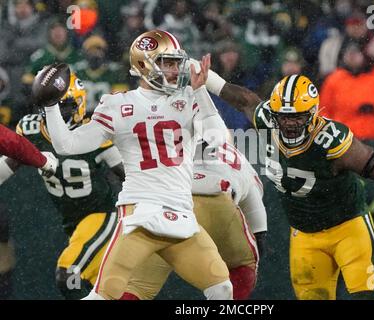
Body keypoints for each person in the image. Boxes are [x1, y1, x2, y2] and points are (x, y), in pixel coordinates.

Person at [199, 72, 374, 300]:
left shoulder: (330, 140)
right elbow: (241, 98)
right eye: (284, 116)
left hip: (348, 228)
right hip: (304, 234)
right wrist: (201, 72)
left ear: (313, 113)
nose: (290, 123)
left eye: (298, 116)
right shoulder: (267, 119)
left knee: (366, 294)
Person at [40, 30, 232, 300]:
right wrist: (50, 107)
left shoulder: (189, 98)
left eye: (177, 62)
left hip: (181, 215)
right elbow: (67, 146)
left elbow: (218, 140)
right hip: (139, 215)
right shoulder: (118, 104)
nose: (176, 70)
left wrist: (201, 91)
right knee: (103, 295)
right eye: (167, 63)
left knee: (222, 289)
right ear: (144, 64)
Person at [0, 72, 124, 299]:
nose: (53, 113)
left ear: (79, 104)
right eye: (49, 105)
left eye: (62, 106)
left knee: (69, 275)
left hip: (102, 216)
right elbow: (8, 165)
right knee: (106, 291)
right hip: (74, 225)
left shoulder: (93, 132)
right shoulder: (32, 129)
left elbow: (128, 173)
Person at [121, 140, 267, 300]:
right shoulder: (241, 162)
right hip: (216, 200)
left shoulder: (156, 143)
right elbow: (256, 215)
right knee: (242, 268)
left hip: (163, 206)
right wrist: (259, 237)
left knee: (136, 288)